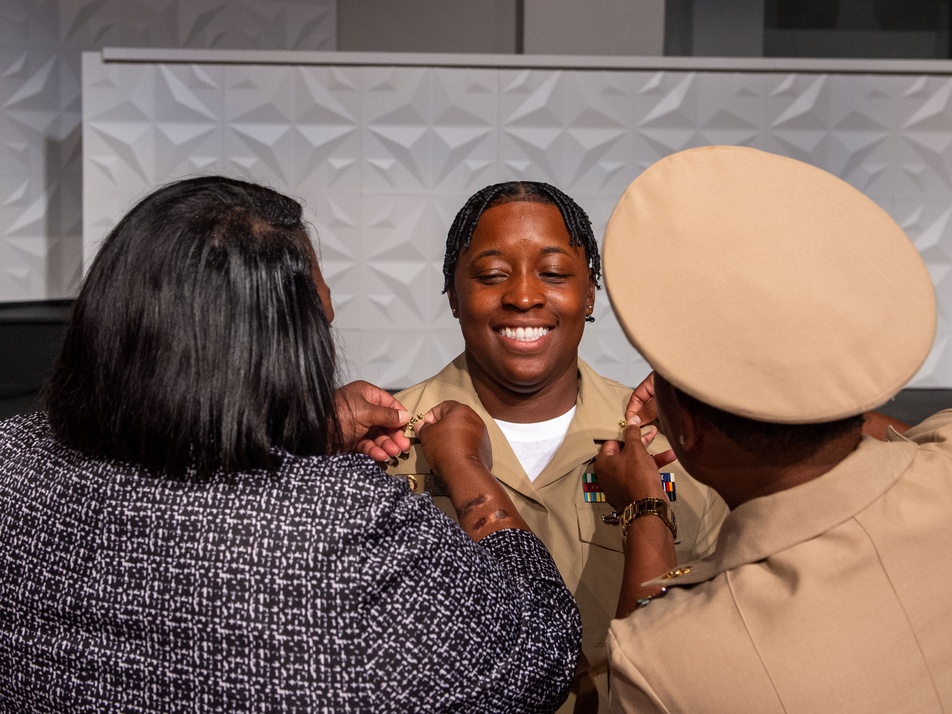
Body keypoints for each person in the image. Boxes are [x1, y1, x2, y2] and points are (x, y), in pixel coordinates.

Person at [0, 176, 581, 712]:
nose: (525, 296)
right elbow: (540, 647)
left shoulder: (12, 460)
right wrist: (467, 471)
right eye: (319, 324)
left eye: (554, 273)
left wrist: (290, 432)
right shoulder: (338, 520)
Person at [594, 145, 952, 712]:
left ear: (684, 424)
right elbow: (905, 439)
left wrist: (645, 510)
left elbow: (649, 660)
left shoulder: (669, 661)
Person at [384, 181, 728, 713]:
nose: (523, 296)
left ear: (590, 294)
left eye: (554, 274)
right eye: (492, 275)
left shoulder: (671, 445)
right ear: (452, 295)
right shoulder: (376, 448)